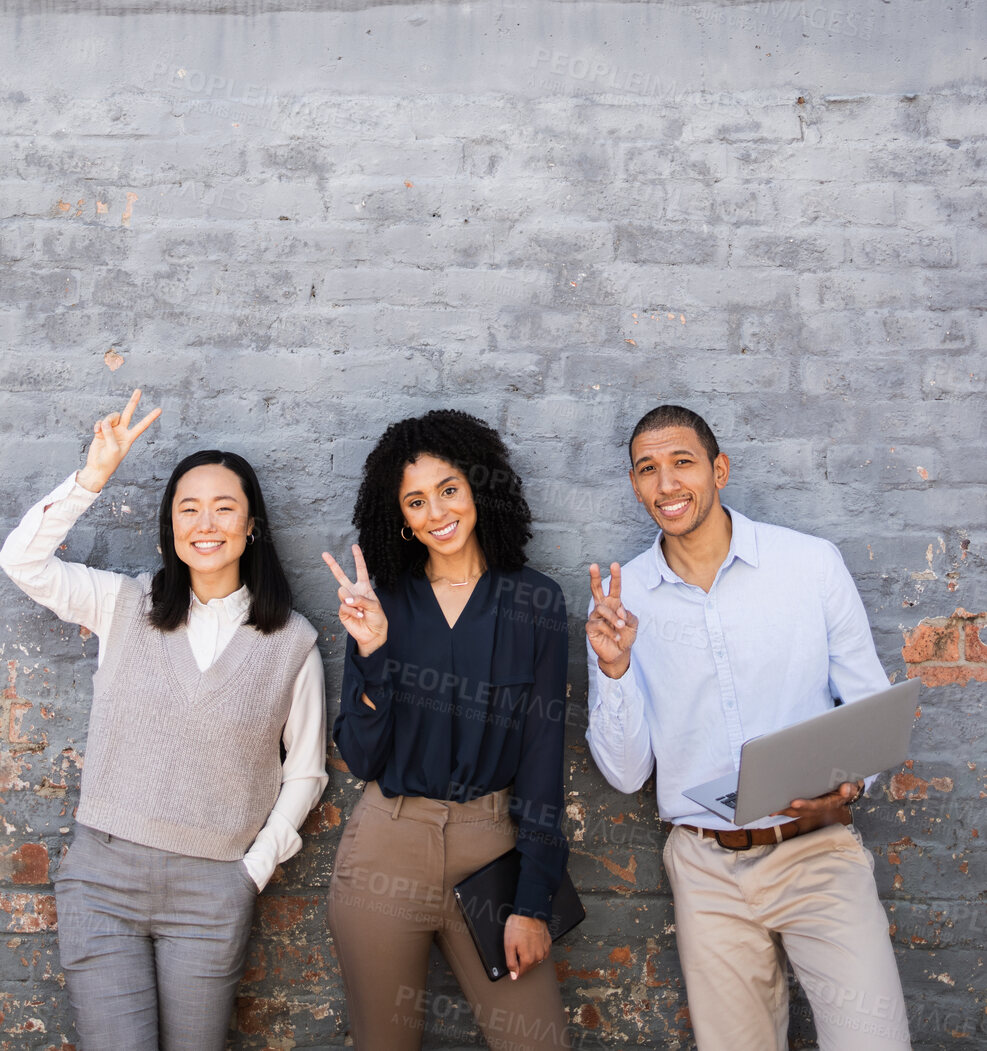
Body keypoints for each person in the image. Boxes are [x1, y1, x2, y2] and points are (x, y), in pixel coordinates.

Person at [0, 390, 327, 1051]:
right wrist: (92, 475)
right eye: (189, 507)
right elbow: (21, 562)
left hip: (212, 889)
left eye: (224, 506)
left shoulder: (291, 640)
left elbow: (307, 771)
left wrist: (251, 870)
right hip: (103, 881)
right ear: (168, 527)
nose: (206, 522)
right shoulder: (123, 605)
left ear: (250, 524)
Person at [585, 403, 912, 1051]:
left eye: (682, 462)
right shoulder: (623, 603)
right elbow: (625, 774)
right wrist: (615, 667)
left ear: (719, 468)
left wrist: (846, 786)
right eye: (647, 469)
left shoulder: (810, 564)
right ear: (633, 484)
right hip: (706, 869)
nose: (666, 483)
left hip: (817, 851)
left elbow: (867, 703)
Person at [323, 409, 573, 1051]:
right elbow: (359, 754)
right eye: (415, 500)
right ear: (400, 517)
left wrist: (534, 900)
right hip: (387, 843)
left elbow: (545, 760)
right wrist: (374, 654)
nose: (436, 511)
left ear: (477, 491)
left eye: (448, 489)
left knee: (537, 1042)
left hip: (491, 846)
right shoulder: (384, 604)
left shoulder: (535, 602)